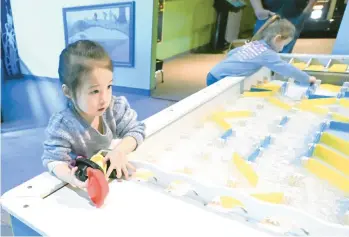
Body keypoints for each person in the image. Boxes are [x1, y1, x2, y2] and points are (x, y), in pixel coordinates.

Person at [41, 40, 146, 188]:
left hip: (106, 173)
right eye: (95, 91)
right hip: (82, 183)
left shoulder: (114, 107)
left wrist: (119, 151)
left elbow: (137, 130)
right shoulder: (62, 126)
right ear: (68, 92)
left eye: (109, 86)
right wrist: (70, 177)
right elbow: (53, 160)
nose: (105, 98)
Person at [206, 18, 316, 86]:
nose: (282, 48)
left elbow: (232, 53)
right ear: (277, 39)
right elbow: (286, 69)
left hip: (214, 73)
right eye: (283, 44)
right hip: (220, 79)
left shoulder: (256, 44)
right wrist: (306, 78)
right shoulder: (267, 54)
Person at [251, 0, 318, 53]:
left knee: (283, 56)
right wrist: (258, 9)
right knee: (259, 52)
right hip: (269, 11)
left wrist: (309, 7)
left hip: (295, 14)